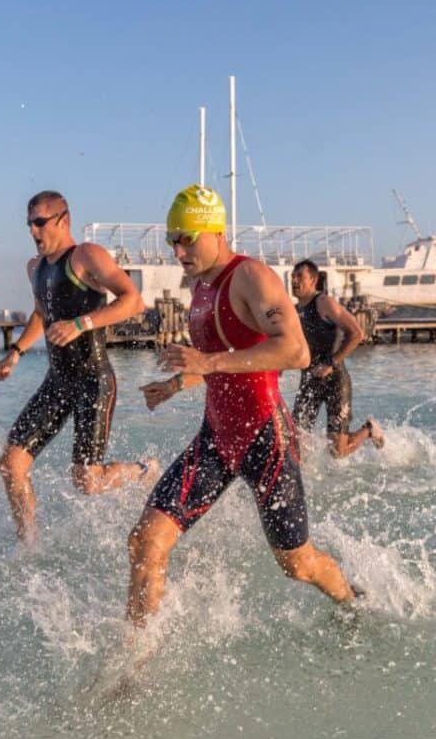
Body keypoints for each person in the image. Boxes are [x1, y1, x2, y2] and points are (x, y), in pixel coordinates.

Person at [129, 185, 358, 628]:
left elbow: (296, 353)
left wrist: (207, 361)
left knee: (298, 564)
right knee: (145, 541)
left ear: (216, 230)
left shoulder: (251, 276)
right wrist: (180, 381)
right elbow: (222, 364)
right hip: (216, 439)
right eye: (172, 240)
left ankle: (352, 602)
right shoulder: (200, 289)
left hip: (265, 438)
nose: (178, 250)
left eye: (187, 238)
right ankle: (134, 664)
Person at [0, 190, 156, 549]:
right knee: (10, 464)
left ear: (63, 220)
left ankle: (144, 471)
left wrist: (82, 324)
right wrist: (16, 352)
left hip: (93, 379)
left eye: (40, 223)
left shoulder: (86, 256)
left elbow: (133, 301)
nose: (34, 232)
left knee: (87, 481)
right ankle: (29, 546)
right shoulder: (35, 267)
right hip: (58, 380)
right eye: (29, 224)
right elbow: (41, 314)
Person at [290, 259, 384, 457]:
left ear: (313, 280)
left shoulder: (324, 303)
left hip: (335, 381)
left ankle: (368, 429)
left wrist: (330, 363)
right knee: (295, 442)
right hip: (309, 380)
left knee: (338, 452)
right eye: (292, 276)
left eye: (300, 276)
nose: (294, 280)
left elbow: (357, 333)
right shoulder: (294, 310)